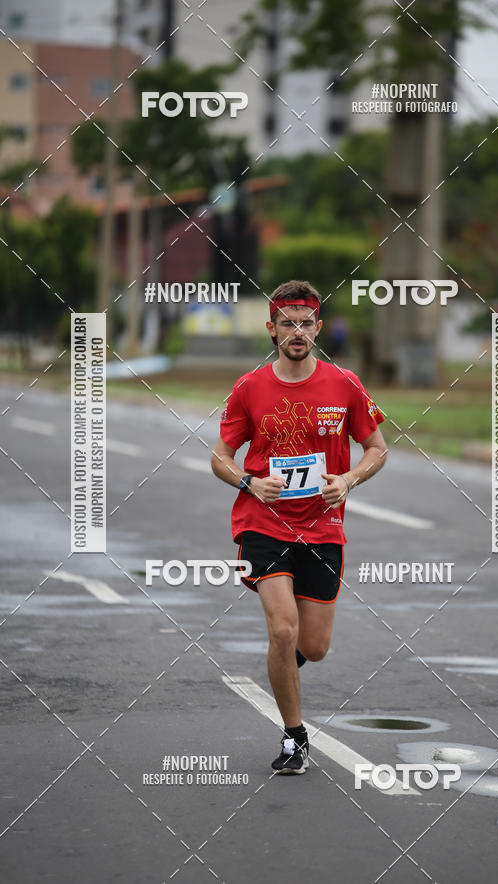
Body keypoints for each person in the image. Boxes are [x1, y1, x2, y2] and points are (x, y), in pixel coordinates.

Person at [210, 280, 387, 774]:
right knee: (283, 629)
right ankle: (294, 736)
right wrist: (249, 482)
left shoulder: (344, 384)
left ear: (318, 328)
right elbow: (219, 458)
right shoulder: (249, 388)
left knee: (314, 647)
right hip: (262, 524)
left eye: (306, 322)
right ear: (271, 329)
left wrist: (348, 479)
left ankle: (283, 664)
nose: (297, 331)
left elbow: (378, 448)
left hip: (323, 528)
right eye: (287, 322)